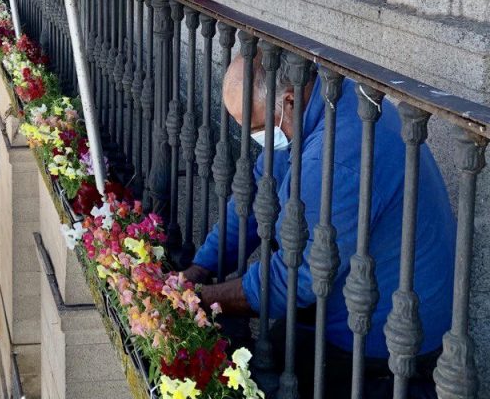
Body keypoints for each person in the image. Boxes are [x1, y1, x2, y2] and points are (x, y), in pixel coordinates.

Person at [186, 51, 456, 398]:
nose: (256, 139)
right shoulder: (314, 107)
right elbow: (256, 199)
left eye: (254, 128)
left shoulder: (336, 156)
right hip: (350, 300)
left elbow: (294, 280)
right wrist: (200, 267)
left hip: (384, 345)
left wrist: (203, 299)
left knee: (255, 375)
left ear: (289, 100)